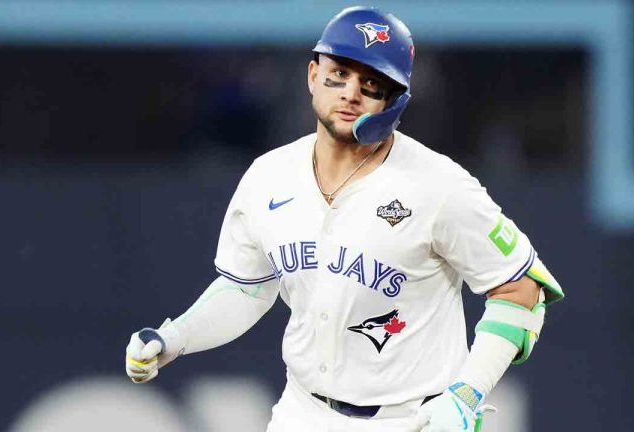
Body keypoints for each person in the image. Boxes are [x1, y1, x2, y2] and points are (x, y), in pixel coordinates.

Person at [125, 6, 564, 432]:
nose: (351, 92)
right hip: (302, 412)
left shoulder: (439, 186)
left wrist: (468, 393)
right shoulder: (268, 176)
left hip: (409, 419)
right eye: (340, 74)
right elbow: (247, 287)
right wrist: (175, 337)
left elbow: (521, 288)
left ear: (395, 101)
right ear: (313, 74)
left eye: (371, 83)